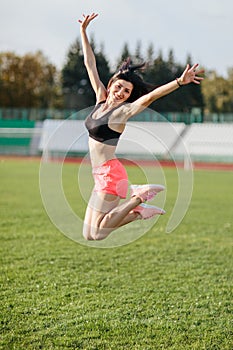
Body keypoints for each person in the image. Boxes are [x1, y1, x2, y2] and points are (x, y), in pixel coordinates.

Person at [78, 13, 204, 241]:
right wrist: (84, 33)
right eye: (118, 87)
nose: (121, 92)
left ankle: (139, 197)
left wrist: (178, 82)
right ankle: (138, 213)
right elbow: (90, 64)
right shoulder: (100, 99)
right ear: (111, 85)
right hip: (99, 174)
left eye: (126, 91)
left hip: (111, 175)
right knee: (88, 234)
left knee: (97, 234)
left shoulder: (121, 113)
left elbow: (149, 98)